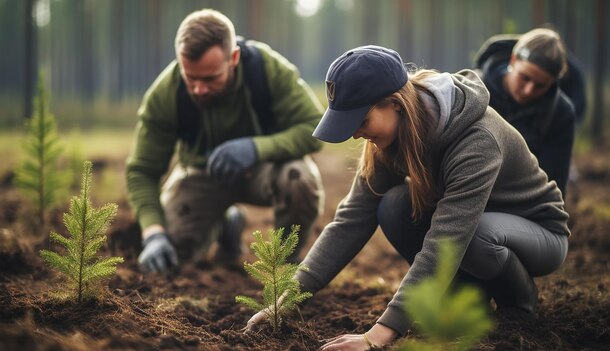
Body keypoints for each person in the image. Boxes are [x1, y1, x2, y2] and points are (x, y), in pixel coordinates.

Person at [245, 45, 570, 350]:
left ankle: (519, 301)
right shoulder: (393, 138)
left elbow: (448, 240)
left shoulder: (476, 140)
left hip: (537, 232)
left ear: (395, 104)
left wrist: (378, 335)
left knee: (474, 235)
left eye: (360, 121)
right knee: (394, 205)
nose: (357, 134)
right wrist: (286, 301)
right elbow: (350, 221)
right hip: (476, 231)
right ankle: (466, 296)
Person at [126, 8, 325, 274]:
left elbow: (314, 128)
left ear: (233, 58)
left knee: (298, 177)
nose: (199, 89)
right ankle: (227, 222)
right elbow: (142, 170)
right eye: (190, 78)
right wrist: (153, 234)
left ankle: (285, 267)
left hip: (266, 169)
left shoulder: (267, 70)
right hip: (202, 176)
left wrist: (256, 148)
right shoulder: (165, 94)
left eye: (210, 78)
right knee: (172, 254)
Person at [474, 28, 578, 196]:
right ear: (513, 60)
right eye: (525, 78)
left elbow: (553, 185)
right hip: (462, 190)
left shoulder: (560, 114)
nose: (529, 90)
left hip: (520, 204)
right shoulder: (472, 90)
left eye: (540, 85)